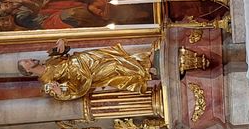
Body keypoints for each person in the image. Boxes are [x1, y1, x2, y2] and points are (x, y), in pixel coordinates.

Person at [17, 39, 154, 99]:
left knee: (116, 55)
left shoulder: (50, 59)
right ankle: (147, 66)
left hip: (88, 57)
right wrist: (59, 92)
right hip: (88, 73)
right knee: (116, 66)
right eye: (26, 62)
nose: (29, 60)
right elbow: (67, 91)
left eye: (27, 59)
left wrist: (62, 41)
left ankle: (147, 60)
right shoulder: (48, 83)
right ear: (29, 72)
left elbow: (64, 49)